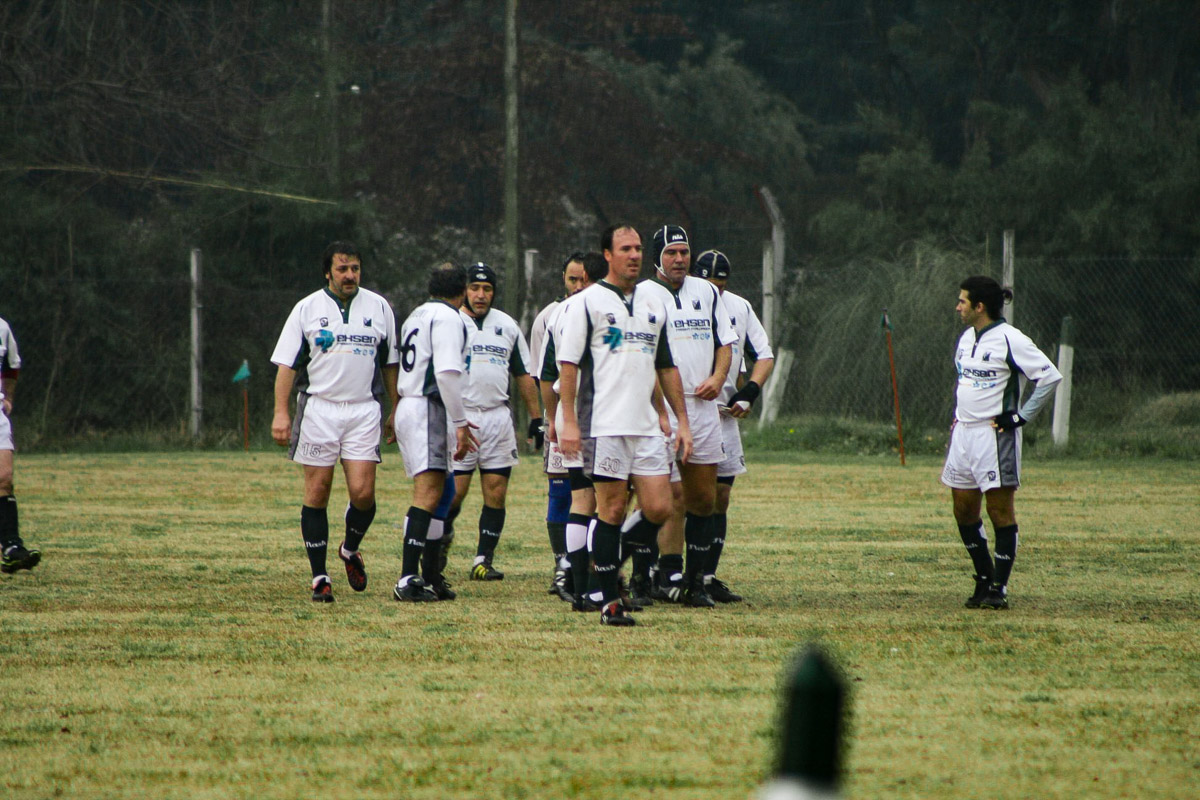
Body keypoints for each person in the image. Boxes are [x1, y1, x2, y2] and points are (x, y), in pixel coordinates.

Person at [556, 224, 693, 626]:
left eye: (637, 248)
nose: (634, 255)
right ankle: (608, 602)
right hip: (605, 425)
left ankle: (607, 562)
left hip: (647, 426)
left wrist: (680, 420)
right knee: (611, 509)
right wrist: (567, 421)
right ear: (609, 255)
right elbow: (567, 366)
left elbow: (665, 365)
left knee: (659, 507)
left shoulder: (654, 301)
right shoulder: (587, 302)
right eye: (626, 249)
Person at [271, 241, 400, 602]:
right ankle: (320, 578)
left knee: (363, 494)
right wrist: (281, 413)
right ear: (328, 272)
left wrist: (396, 408)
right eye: (342, 269)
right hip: (319, 410)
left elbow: (390, 364)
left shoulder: (379, 307)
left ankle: (349, 548)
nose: (350, 276)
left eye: (355, 268)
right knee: (317, 492)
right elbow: (286, 365)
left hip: (362, 410)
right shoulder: (307, 309)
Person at [943, 275, 1062, 610]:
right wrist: (959, 412)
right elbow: (965, 379)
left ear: (979, 306)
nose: (958, 306)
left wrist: (1021, 416)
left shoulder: (1011, 339)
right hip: (963, 434)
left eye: (963, 301)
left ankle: (1000, 588)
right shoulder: (967, 338)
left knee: (998, 510)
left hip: (994, 438)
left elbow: (1049, 376)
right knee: (963, 509)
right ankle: (983, 578)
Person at [636, 226, 736, 608]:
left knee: (702, 498)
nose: (679, 259)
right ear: (657, 258)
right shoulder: (644, 295)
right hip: (657, 408)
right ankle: (645, 579)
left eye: (684, 252)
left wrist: (717, 377)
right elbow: (643, 353)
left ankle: (694, 583)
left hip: (702, 407)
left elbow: (725, 343)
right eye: (671, 252)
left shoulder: (707, 291)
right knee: (656, 495)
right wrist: (658, 402)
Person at [444, 262, 541, 582]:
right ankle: (439, 541)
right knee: (454, 493)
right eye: (474, 288)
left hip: (497, 416)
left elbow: (523, 375)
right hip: (462, 417)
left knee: (496, 493)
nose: (480, 294)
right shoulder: (450, 322)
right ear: (464, 290)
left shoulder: (507, 326)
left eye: (487, 289)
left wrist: (536, 418)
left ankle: (483, 559)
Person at [692, 249, 775, 602]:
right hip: (691, 411)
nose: (716, 290)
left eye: (722, 284)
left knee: (720, 499)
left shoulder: (739, 307)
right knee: (686, 499)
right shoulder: (680, 303)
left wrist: (750, 391)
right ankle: (669, 574)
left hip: (724, 417)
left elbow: (765, 354)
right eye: (710, 283)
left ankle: (708, 577)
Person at [392, 263, 478, 602]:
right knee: (428, 494)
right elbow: (445, 374)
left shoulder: (417, 314)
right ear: (463, 291)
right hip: (427, 407)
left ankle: (430, 576)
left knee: (442, 493)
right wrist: (461, 424)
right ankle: (407, 579)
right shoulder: (448, 317)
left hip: (413, 404)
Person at [538, 252, 609, 606]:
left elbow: (547, 374)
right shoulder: (597, 306)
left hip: (571, 414)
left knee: (583, 498)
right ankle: (599, 580)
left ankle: (580, 584)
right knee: (609, 502)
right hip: (598, 413)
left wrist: (554, 420)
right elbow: (556, 370)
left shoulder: (559, 312)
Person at [529, 252, 588, 599]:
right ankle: (561, 564)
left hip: (599, 419)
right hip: (562, 417)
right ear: (562, 280)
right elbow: (543, 375)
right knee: (561, 490)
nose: (579, 286)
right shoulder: (548, 318)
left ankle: (589, 563)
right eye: (572, 280)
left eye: (584, 279)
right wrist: (551, 420)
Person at [0, 316, 39, 575]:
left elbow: (12, 366)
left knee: (4, 478)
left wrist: (8, 397)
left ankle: (12, 547)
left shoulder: (1, 327)